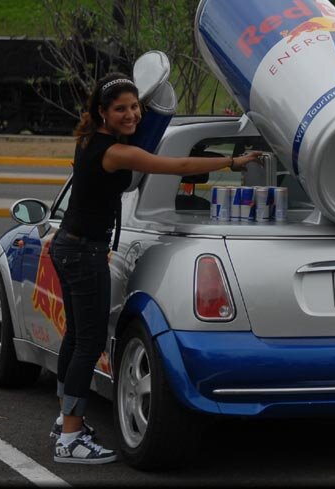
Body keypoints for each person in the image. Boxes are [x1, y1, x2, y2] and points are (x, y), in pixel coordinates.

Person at [48, 72, 263, 464]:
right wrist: (232, 160)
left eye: (135, 107)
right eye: (121, 109)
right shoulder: (115, 153)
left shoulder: (90, 139)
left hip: (70, 246)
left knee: (77, 337)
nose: (130, 115)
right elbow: (174, 163)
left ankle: (65, 422)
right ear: (102, 112)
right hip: (83, 253)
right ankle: (70, 438)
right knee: (90, 342)